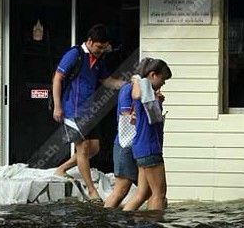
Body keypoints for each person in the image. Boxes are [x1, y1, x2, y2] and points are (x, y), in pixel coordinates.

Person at [51, 24, 125, 202]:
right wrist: (57, 106)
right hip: (72, 109)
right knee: (83, 148)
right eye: (99, 47)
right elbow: (57, 78)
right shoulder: (74, 54)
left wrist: (127, 84)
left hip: (89, 110)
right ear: (90, 41)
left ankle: (62, 169)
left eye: (104, 47)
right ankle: (92, 190)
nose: (101, 50)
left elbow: (107, 81)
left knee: (94, 148)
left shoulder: (98, 60)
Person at [123, 58, 172, 211]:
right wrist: (138, 79)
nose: (163, 83)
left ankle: (124, 222)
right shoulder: (142, 88)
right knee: (159, 194)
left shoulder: (149, 96)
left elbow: (148, 115)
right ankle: (154, 227)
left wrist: (158, 101)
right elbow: (136, 94)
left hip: (141, 148)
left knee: (142, 193)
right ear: (153, 75)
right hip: (150, 147)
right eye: (162, 79)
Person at [104, 80, 138, 208]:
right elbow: (126, 114)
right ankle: (107, 217)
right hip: (125, 145)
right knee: (121, 190)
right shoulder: (128, 89)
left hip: (136, 145)